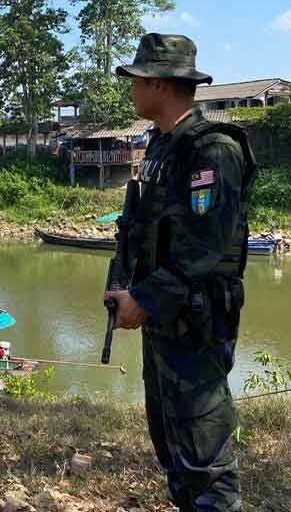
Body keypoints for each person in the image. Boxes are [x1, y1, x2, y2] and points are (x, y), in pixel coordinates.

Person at [106, 33, 255, 512]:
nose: (132, 89)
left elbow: (204, 247)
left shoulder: (212, 151)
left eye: (138, 80)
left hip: (197, 320)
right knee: (171, 438)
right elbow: (139, 227)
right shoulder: (161, 147)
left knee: (203, 448)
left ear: (162, 85)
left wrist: (145, 299)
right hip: (164, 318)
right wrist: (124, 285)